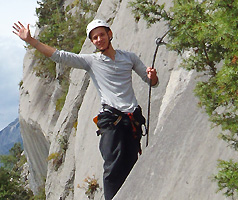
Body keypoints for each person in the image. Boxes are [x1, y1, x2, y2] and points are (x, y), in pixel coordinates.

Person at [12, 19, 159, 200]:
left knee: (131, 166)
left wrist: (152, 76)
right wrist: (32, 41)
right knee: (112, 170)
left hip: (132, 120)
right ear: (92, 42)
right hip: (112, 121)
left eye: (101, 35)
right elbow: (60, 56)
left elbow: (151, 82)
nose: (99, 40)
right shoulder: (91, 61)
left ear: (109, 34)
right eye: (94, 37)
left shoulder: (129, 58)